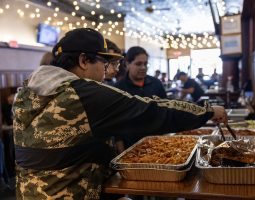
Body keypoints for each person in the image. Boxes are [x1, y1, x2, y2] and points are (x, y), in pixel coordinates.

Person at [13, 28, 227, 200]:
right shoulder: (82, 93)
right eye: (103, 63)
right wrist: (207, 111)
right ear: (84, 61)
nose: (106, 71)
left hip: (29, 192)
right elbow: (151, 110)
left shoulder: (28, 91)